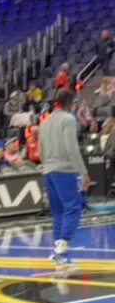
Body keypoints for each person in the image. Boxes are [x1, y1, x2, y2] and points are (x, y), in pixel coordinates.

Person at [38, 88, 91, 266]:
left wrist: (47, 166)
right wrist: (83, 172)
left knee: (58, 211)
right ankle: (61, 249)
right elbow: (72, 149)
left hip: (48, 170)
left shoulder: (44, 122)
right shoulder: (68, 119)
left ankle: (58, 251)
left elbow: (40, 150)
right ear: (70, 102)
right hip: (64, 170)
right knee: (73, 207)